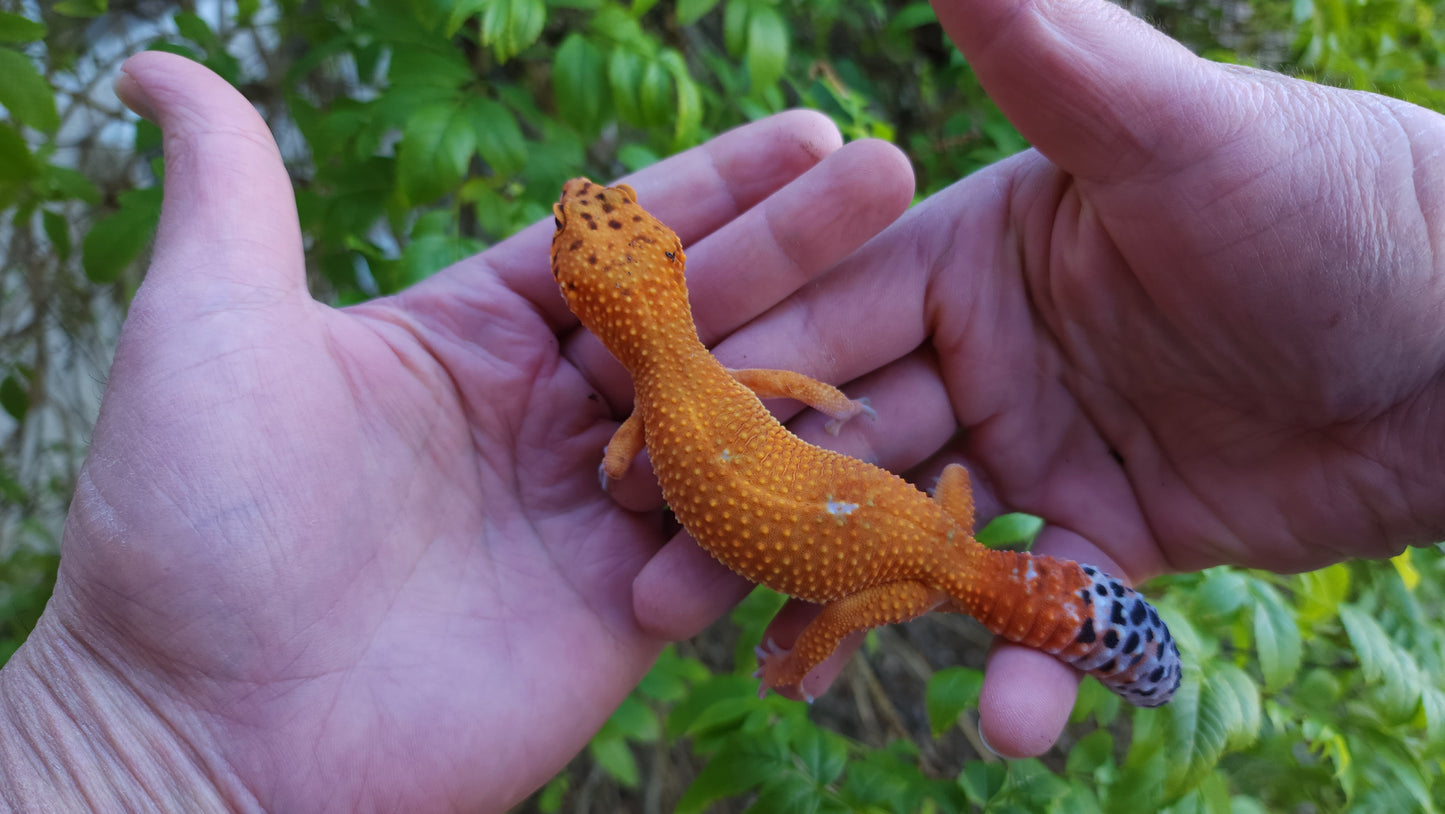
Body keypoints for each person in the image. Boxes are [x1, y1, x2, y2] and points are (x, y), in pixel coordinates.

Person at [3, 0, 1442, 808]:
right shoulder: (687, 370)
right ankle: (998, 624)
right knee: (902, 564)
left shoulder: (657, 403)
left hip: (888, 543)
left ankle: (982, 627)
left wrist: (803, 618)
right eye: (596, 224)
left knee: (884, 577)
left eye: (600, 221)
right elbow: (743, 400)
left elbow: (669, 436)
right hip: (897, 528)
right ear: (649, 277)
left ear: (635, 282)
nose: (593, 210)